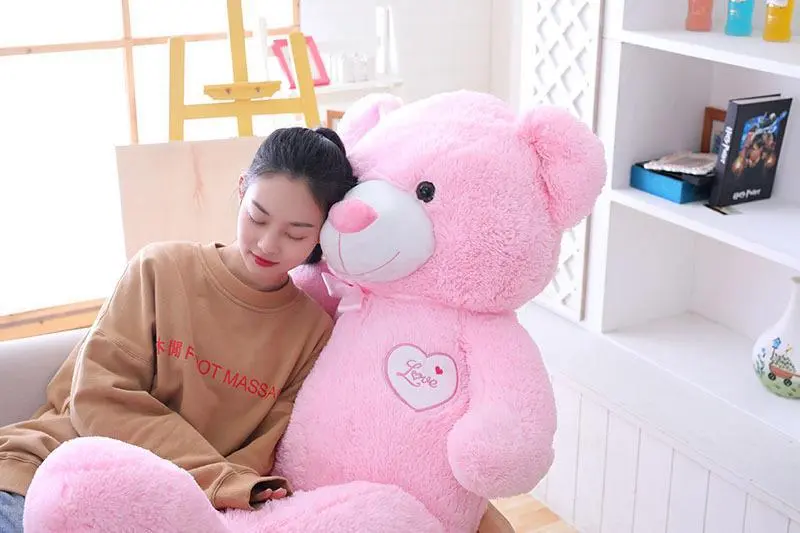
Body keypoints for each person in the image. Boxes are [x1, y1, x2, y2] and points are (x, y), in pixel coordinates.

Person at [0, 126, 358, 532]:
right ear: (242, 188)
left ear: (323, 234)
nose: (267, 244)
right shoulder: (160, 269)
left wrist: (220, 492)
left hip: (165, 511)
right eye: (257, 218)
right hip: (41, 474)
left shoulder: (311, 332)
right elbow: (98, 398)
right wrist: (220, 481)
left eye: (296, 234)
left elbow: (262, 451)